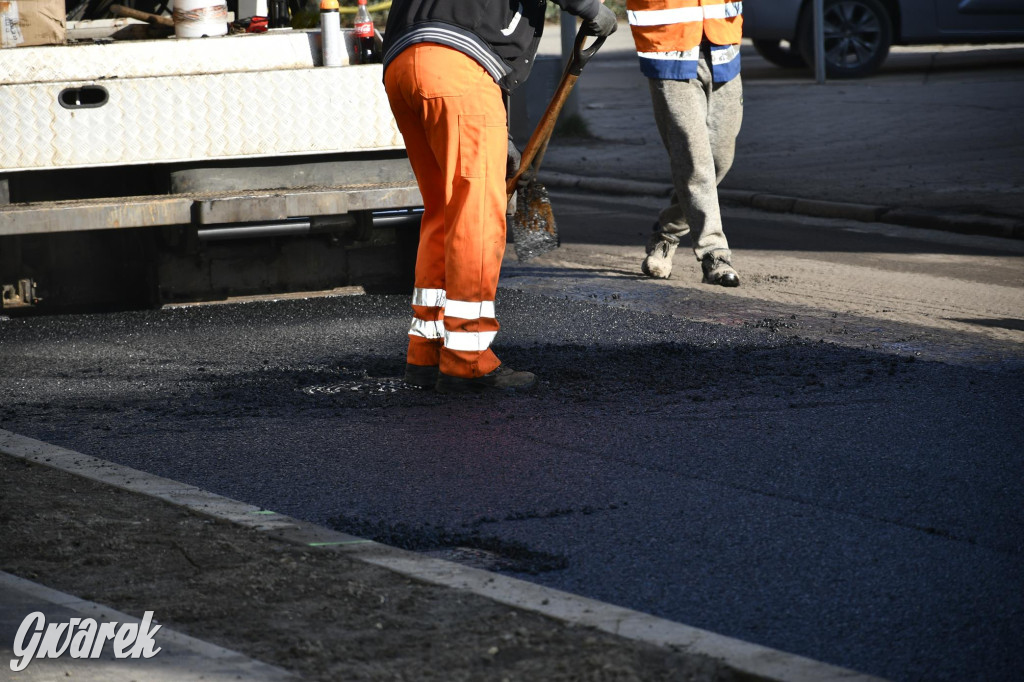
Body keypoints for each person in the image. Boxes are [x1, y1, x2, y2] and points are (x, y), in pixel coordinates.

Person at [383, 0, 617, 393]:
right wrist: (592, 9)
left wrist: (499, 131)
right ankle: (467, 360)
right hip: (458, 68)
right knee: (474, 217)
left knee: (443, 211)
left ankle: (426, 352)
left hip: (404, 64)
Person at [629, 0, 743, 287]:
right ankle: (714, 254)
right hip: (668, 46)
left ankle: (666, 232)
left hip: (723, 43)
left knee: (719, 160)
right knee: (695, 161)